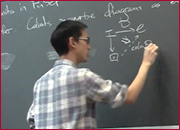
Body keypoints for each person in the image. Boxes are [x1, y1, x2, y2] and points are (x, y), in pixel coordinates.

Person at [27, 20, 159, 129]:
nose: (89, 47)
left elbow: (32, 121)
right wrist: (146, 63)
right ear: (73, 42)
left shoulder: (40, 84)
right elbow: (128, 97)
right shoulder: (82, 78)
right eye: (86, 40)